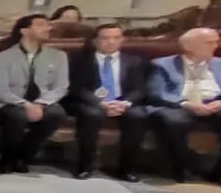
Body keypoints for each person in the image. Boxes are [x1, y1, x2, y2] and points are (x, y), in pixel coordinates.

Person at [64, 22, 155, 181]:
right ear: (95, 41)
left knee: (138, 116)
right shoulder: (79, 59)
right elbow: (76, 87)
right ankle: (84, 166)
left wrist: (125, 103)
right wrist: (100, 103)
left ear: (122, 40)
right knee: (92, 114)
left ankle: (126, 169)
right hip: (90, 102)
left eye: (116, 38)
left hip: (123, 102)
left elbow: (140, 89)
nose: (111, 42)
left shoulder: (135, 61)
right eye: (105, 38)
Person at [0, 14, 69, 173]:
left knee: (56, 113)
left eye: (48, 25)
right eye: (41, 25)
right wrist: (24, 104)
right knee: (17, 116)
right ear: (24, 30)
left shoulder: (58, 56)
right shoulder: (3, 57)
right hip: (9, 101)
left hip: (42, 101)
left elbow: (61, 87)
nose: (48, 28)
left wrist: (40, 103)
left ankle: (24, 157)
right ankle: (7, 159)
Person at [150, 26, 221, 183]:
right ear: (188, 46)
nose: (215, 46)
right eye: (209, 42)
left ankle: (220, 172)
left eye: (215, 42)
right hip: (178, 104)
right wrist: (187, 104)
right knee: (173, 121)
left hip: (214, 104)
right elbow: (157, 92)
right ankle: (184, 167)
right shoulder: (161, 65)